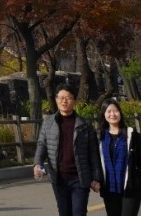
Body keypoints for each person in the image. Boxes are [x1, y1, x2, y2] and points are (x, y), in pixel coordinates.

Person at [34, 86, 102, 216]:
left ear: (74, 101)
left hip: (80, 178)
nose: (64, 101)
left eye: (68, 98)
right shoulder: (49, 122)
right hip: (59, 178)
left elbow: (94, 153)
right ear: (56, 100)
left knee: (78, 212)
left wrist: (96, 178)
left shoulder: (84, 124)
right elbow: (42, 145)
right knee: (64, 212)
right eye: (61, 98)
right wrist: (38, 164)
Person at [97, 98, 141, 216]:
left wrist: (136, 179)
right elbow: (96, 161)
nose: (112, 114)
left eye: (115, 111)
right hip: (109, 188)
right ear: (104, 115)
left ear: (120, 113)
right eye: (109, 111)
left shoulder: (131, 134)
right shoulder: (99, 136)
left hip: (130, 188)